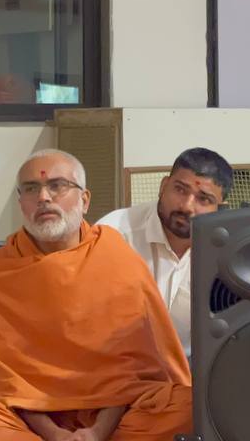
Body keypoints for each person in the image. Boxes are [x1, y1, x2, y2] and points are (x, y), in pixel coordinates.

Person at [0, 150, 192, 441]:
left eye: (57, 186)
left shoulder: (116, 257)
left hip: (117, 413)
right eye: (31, 189)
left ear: (85, 200)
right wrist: (55, 435)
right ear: (20, 202)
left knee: (188, 408)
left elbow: (133, 371)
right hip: (33, 418)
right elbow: (9, 381)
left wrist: (97, 432)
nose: (43, 197)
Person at [97, 147, 232, 358]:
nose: (187, 206)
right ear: (163, 186)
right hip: (116, 363)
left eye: (203, 199)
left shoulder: (227, 251)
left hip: (192, 366)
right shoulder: (113, 234)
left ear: (220, 209)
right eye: (180, 190)